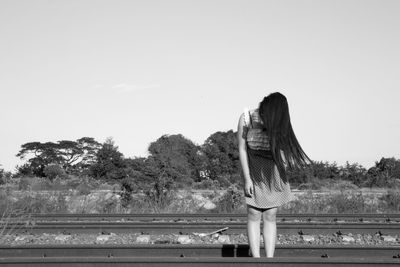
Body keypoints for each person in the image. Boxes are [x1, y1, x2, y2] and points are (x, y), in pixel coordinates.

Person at [237, 92, 311, 258]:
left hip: (273, 170)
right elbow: (242, 149)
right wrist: (247, 178)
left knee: (270, 214)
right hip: (253, 168)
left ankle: (269, 260)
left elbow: (284, 149)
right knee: (254, 213)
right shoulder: (246, 117)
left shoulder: (278, 123)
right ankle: (256, 259)